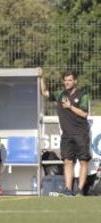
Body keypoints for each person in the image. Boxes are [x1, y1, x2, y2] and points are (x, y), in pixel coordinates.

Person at [39, 67, 90, 196]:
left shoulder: (82, 95)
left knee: (83, 161)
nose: (67, 82)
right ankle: (68, 189)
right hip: (66, 135)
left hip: (81, 134)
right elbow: (44, 93)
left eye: (70, 80)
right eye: (65, 80)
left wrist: (70, 106)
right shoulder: (60, 95)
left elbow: (84, 114)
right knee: (67, 161)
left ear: (75, 81)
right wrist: (41, 77)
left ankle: (79, 190)